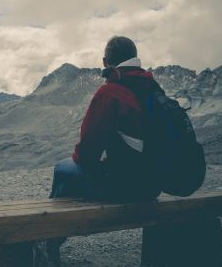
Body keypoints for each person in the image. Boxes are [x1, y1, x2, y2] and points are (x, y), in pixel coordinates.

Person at [49, 35, 161, 202]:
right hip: (154, 185)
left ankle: (53, 222)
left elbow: (86, 154)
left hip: (126, 185)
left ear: (104, 61)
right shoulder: (151, 87)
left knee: (61, 169)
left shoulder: (110, 93)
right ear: (135, 58)